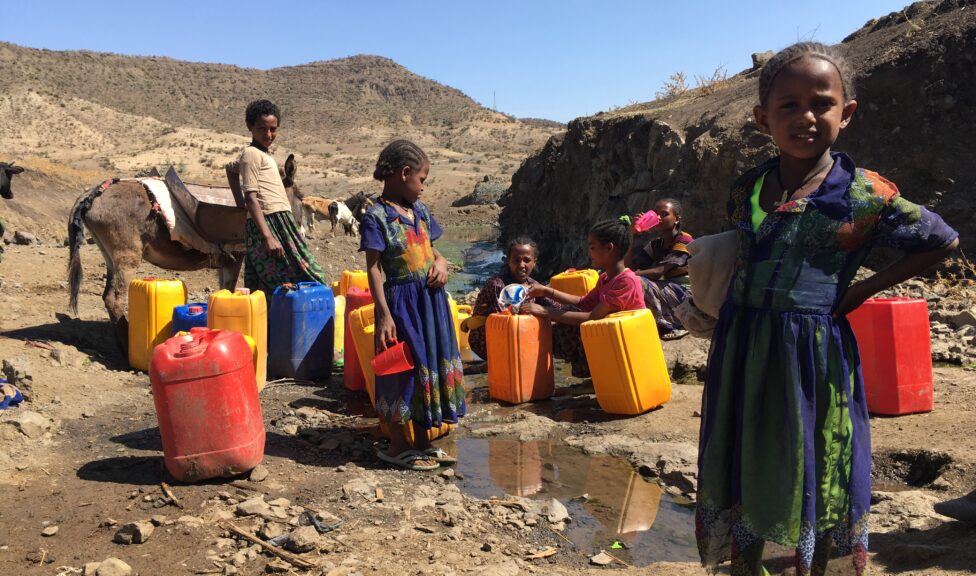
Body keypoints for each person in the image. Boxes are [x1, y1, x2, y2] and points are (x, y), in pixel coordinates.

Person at [695, 42, 959, 576]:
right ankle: (748, 563)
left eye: (821, 103)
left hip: (812, 354)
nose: (806, 117)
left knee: (814, 458)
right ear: (762, 118)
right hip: (742, 344)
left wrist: (862, 291)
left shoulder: (864, 195)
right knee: (744, 450)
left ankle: (812, 565)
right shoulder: (748, 186)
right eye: (788, 106)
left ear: (848, 112)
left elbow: (941, 240)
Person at [360, 139, 465, 471]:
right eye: (422, 179)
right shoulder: (377, 217)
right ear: (404, 173)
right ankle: (397, 445)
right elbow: (374, 268)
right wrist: (384, 315)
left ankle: (422, 442)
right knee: (404, 369)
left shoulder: (420, 211)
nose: (424, 186)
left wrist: (443, 263)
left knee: (429, 363)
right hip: (403, 305)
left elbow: (434, 251)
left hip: (431, 304)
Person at [522, 218, 646, 377]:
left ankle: (596, 374)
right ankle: (596, 375)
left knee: (569, 324)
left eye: (593, 248)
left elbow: (592, 317)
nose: (589, 253)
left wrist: (545, 311)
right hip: (612, 341)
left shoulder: (626, 282)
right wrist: (547, 292)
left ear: (609, 248)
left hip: (625, 346)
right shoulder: (606, 278)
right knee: (568, 312)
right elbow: (584, 303)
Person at [225, 99, 326, 296]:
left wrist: (239, 202)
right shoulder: (251, 154)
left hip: (278, 221)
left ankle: (274, 324)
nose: (269, 134)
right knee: (313, 275)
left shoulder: (262, 154)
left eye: (273, 129)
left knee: (270, 286)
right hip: (271, 223)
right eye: (263, 129)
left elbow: (230, 169)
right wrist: (268, 236)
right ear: (249, 126)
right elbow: (252, 197)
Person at [466, 236, 560, 361]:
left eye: (527, 260)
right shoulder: (497, 285)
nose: (522, 265)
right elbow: (505, 320)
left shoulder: (533, 285)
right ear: (509, 261)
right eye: (516, 260)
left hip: (518, 335)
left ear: (534, 262)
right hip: (488, 339)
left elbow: (556, 308)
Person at [626, 198, 694, 340]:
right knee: (626, 279)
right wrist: (632, 235)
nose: (658, 217)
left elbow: (660, 271)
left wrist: (630, 275)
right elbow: (629, 266)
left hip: (687, 294)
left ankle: (678, 324)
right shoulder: (656, 244)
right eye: (656, 213)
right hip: (670, 289)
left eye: (664, 214)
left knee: (636, 281)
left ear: (676, 219)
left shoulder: (684, 240)